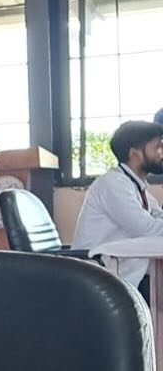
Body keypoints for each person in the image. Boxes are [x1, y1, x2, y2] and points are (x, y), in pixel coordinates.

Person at [71, 120, 163, 302]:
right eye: (158, 147)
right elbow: (148, 228)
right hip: (98, 272)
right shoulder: (113, 184)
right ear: (134, 153)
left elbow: (157, 215)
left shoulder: (135, 186)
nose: (161, 153)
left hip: (121, 268)